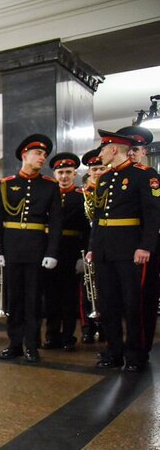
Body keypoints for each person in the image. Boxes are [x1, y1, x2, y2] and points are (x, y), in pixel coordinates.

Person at [87, 128, 160, 372]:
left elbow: (153, 214)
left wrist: (146, 246)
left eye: (103, 149)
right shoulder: (105, 178)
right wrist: (92, 247)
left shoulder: (144, 174)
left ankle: (136, 353)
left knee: (132, 303)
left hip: (131, 249)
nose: (101, 154)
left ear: (114, 149)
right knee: (108, 302)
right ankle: (114, 350)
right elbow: (98, 216)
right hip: (105, 249)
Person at [0, 134, 62, 364]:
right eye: (38, 154)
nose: (42, 158)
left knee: (33, 300)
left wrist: (51, 252)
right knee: (14, 299)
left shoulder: (50, 186)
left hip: (36, 248)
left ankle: (32, 345)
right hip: (12, 247)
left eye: (44, 155)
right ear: (25, 155)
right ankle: (14, 344)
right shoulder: (5, 184)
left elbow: (56, 223)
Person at [42, 152, 90, 351]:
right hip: (48, 250)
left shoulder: (82, 197)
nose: (64, 176)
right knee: (50, 296)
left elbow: (87, 230)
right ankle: (52, 335)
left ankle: (68, 336)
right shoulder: (46, 194)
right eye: (60, 172)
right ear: (54, 174)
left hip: (71, 250)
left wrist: (84, 255)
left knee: (69, 297)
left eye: (68, 172)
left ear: (75, 174)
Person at [118, 125, 158, 357]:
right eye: (128, 149)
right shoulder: (117, 178)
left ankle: (140, 346)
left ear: (144, 152)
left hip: (144, 245)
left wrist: (146, 245)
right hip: (122, 245)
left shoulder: (149, 176)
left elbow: (153, 214)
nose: (132, 153)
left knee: (142, 299)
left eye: (136, 149)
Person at [80, 149, 106, 345]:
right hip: (84, 245)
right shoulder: (82, 194)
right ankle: (87, 327)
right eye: (94, 169)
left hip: (106, 244)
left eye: (101, 168)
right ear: (89, 172)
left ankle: (105, 326)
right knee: (86, 289)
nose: (98, 172)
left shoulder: (109, 191)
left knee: (105, 289)